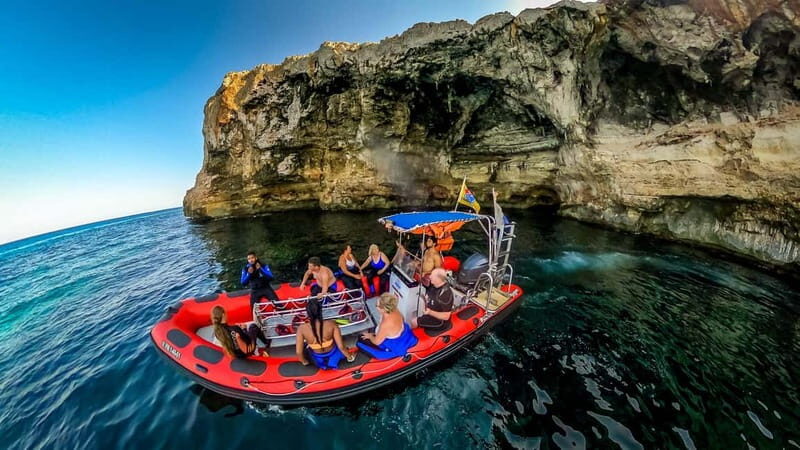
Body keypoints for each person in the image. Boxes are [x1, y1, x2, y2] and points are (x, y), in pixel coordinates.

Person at [295, 297, 356, 369]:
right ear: (320, 311)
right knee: (342, 340)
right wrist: (350, 357)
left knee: (306, 347)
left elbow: (298, 352)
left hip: (317, 358)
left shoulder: (301, 328)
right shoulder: (331, 324)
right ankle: (334, 360)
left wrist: (305, 362)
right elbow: (341, 347)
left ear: (308, 313)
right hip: (333, 353)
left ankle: (323, 364)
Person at [358, 293, 418, 359]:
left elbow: (376, 342)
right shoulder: (395, 310)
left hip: (391, 344)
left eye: (377, 306)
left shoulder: (386, 324)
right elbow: (402, 319)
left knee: (360, 341)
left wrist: (371, 336)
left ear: (383, 309)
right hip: (397, 333)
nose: (376, 307)